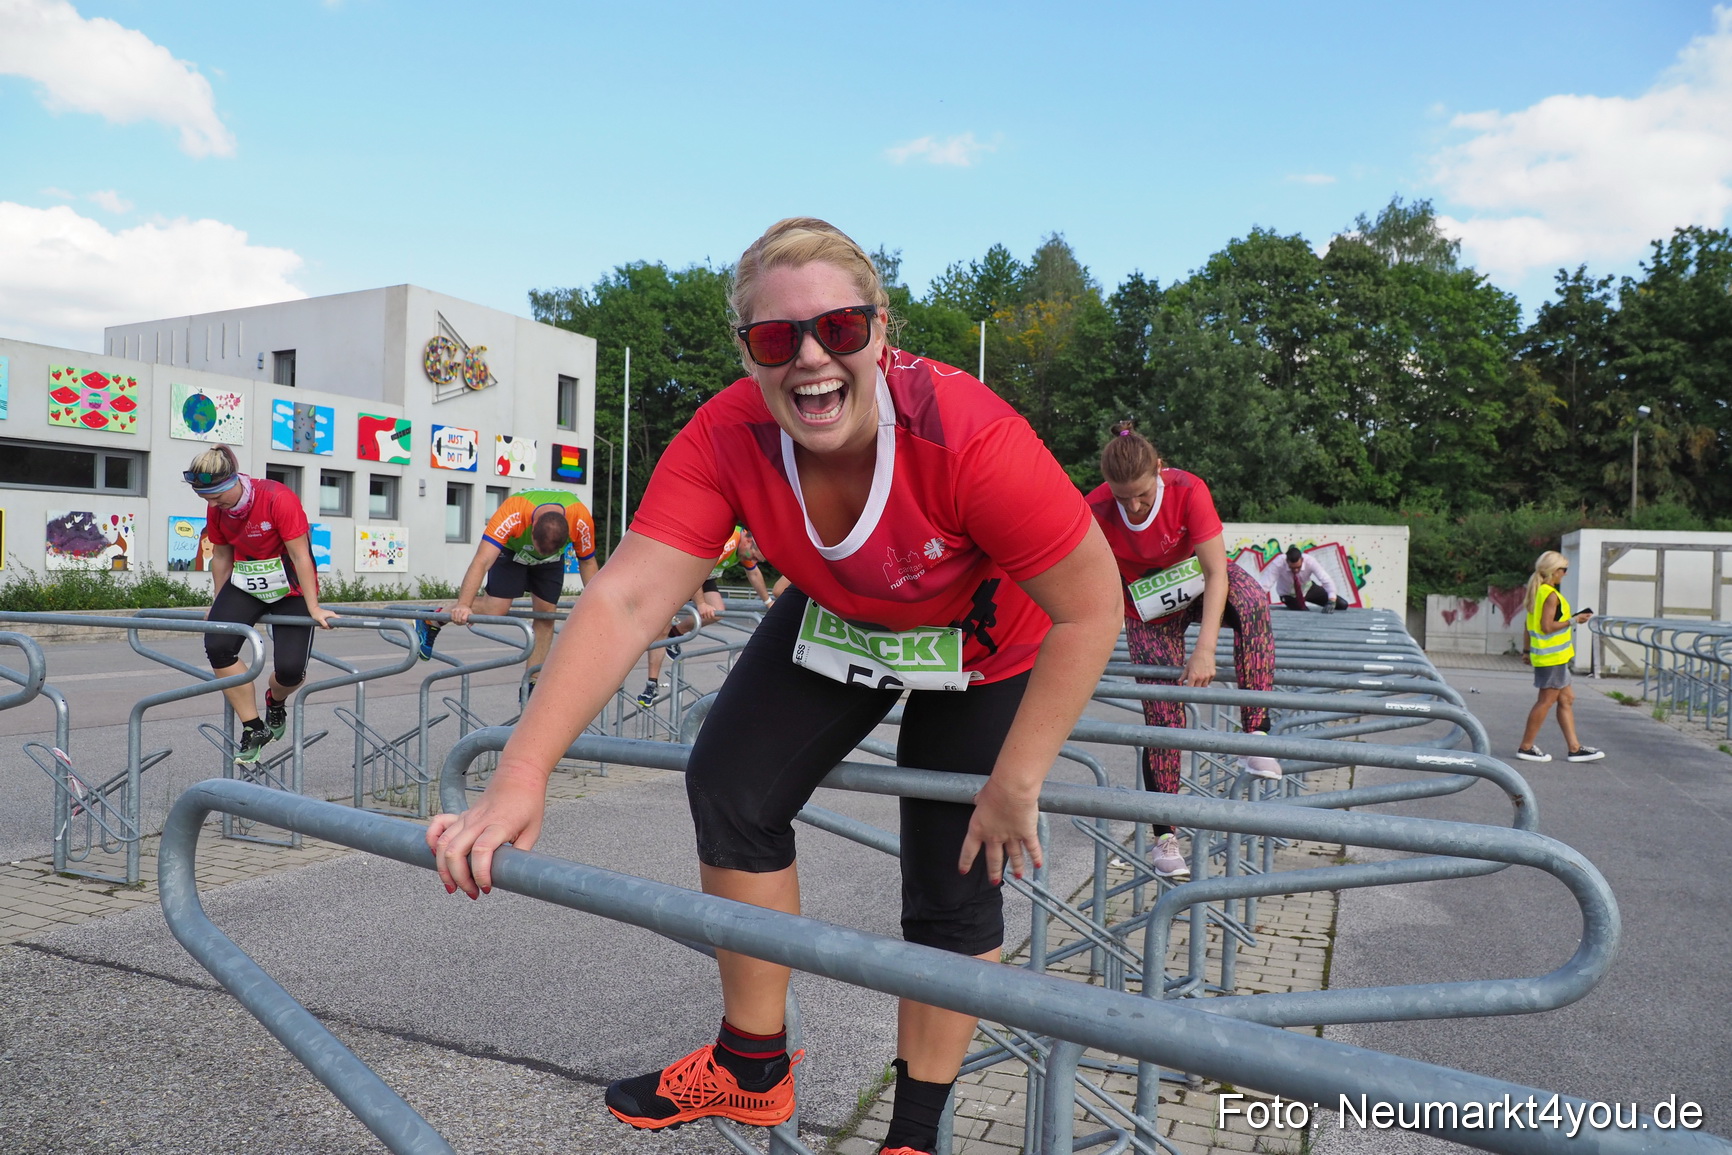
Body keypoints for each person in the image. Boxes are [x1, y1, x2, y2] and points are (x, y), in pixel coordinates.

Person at [427, 218, 1122, 1155]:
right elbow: (629, 598)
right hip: (845, 612)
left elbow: (1092, 606)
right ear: (748, 353)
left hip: (984, 642)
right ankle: (752, 1064)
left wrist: (1019, 778)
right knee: (730, 783)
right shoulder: (727, 434)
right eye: (774, 338)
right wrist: (522, 771)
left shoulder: (969, 439)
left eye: (838, 329)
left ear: (882, 332)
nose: (809, 358)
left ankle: (913, 1135)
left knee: (953, 875)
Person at [1087, 422, 1282, 881]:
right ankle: (1165, 835)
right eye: (1123, 497)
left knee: (1253, 600)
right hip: (1148, 604)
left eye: (1141, 494)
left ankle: (1255, 733)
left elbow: (1216, 573)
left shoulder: (1188, 489)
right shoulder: (1094, 509)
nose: (1133, 505)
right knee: (1162, 715)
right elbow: (1092, 582)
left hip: (1198, 580)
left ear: (1159, 470)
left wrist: (1205, 649)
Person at [184, 445, 337, 764]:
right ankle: (253, 727)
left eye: (217, 497)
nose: (213, 505)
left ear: (233, 482)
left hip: (289, 583)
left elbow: (301, 555)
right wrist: (217, 604)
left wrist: (314, 607)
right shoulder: (218, 510)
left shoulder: (276, 498)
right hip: (248, 579)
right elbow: (222, 556)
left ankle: (275, 701)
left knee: (291, 670)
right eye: (206, 500)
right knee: (218, 642)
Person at [420, 489, 598, 693]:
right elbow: (482, 561)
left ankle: (532, 684)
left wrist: (596, 606)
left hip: (551, 561)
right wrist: (463, 604)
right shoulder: (513, 512)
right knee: (495, 609)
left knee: (546, 614)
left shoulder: (580, 519)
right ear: (532, 531)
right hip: (513, 551)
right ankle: (431, 619)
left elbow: (588, 563)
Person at [637, 525, 775, 708]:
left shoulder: (746, 550)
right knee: (661, 628)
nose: (753, 561)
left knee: (717, 611)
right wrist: (700, 603)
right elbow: (694, 570)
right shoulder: (732, 541)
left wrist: (768, 603)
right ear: (749, 542)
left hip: (705, 576)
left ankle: (676, 633)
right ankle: (651, 684)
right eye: (754, 557)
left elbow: (754, 574)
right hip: (683, 571)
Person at [1517, 550, 1603, 763]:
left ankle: (1574, 748)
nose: (1565, 574)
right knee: (1546, 701)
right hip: (1552, 657)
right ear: (1554, 571)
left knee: (1567, 698)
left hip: (1549, 657)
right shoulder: (1551, 595)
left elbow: (1528, 626)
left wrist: (1527, 651)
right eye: (1563, 570)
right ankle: (1526, 747)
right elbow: (1547, 627)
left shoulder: (1537, 592)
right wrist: (1575, 620)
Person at [1271, 544, 1349, 612]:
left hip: (1308, 588)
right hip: (1288, 594)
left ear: (1302, 560)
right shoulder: (1278, 563)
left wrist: (1331, 600)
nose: (1296, 570)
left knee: (1342, 605)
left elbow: (1325, 579)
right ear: (1286, 561)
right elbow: (1265, 583)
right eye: (1292, 568)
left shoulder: (1310, 561)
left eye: (1298, 567)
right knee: (1303, 612)